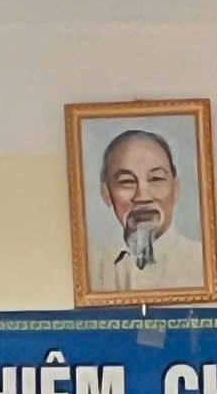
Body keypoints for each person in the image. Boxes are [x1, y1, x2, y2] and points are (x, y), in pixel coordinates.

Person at [88, 126, 206, 294]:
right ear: (106, 193)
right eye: (127, 181)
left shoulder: (203, 261)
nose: (142, 197)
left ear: (176, 188)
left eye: (156, 178)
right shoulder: (91, 269)